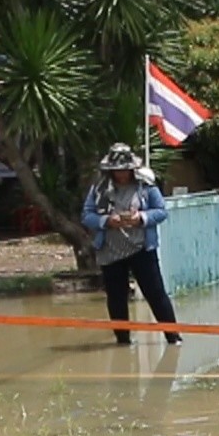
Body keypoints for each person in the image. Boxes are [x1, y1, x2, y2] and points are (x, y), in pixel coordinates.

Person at [82, 143, 181, 346]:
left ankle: (173, 337)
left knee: (156, 294)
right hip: (110, 251)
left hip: (141, 249)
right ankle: (123, 340)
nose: (121, 174)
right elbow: (87, 215)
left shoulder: (145, 186)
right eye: (117, 170)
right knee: (117, 298)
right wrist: (106, 221)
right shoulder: (99, 189)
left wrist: (141, 218)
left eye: (125, 170)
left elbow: (161, 211)